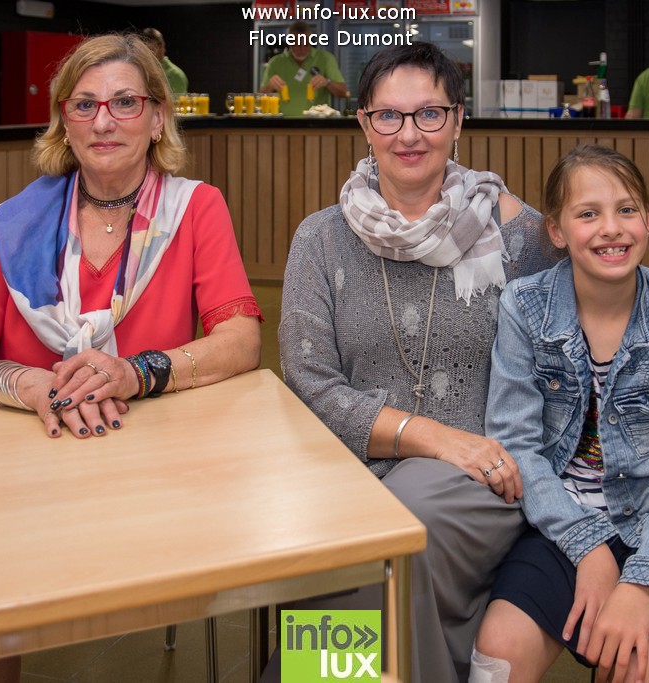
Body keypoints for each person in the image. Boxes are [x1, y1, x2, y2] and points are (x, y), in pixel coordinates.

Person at [0, 30, 261, 681]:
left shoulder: (196, 209)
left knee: (317, 589)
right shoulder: (14, 223)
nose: (104, 121)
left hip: (154, 477)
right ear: (64, 122)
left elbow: (240, 339)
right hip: (20, 481)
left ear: (158, 117)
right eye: (85, 104)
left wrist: (136, 372)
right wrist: (34, 385)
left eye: (125, 102)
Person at [274, 41, 560, 683]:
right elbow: (309, 384)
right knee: (342, 528)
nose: (409, 134)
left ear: (458, 121)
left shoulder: (515, 234)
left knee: (400, 524)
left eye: (429, 114)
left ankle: (316, 674)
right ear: (364, 124)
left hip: (482, 471)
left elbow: (608, 297)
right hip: (351, 465)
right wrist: (427, 436)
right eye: (389, 115)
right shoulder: (321, 239)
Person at [471, 144, 649, 683]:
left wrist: (641, 584)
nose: (611, 228)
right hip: (561, 521)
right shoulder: (525, 306)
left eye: (627, 210)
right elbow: (517, 444)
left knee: (639, 671)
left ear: (648, 220)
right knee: (497, 656)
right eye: (588, 213)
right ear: (557, 230)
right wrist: (587, 547)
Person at [259, 20, 348, 116]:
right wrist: (270, 86)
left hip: (316, 122)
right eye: (297, 44)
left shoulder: (326, 58)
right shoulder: (275, 62)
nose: (302, 49)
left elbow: (344, 92)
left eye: (306, 44)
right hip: (283, 122)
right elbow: (260, 98)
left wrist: (327, 82)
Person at [142, 27, 188, 94]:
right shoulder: (140, 72)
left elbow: (176, 101)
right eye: (144, 51)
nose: (148, 55)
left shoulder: (176, 75)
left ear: (162, 46)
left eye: (151, 50)